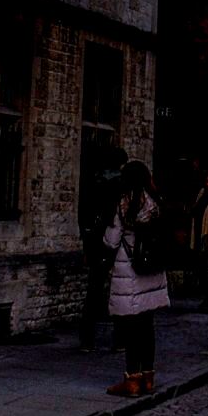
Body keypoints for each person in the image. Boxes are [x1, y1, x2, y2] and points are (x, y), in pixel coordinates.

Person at [103, 160, 169, 398]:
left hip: (130, 270)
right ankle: (148, 377)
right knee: (147, 327)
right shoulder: (155, 202)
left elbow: (111, 240)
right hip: (151, 270)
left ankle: (132, 379)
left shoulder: (124, 204)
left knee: (131, 328)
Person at [78, 146, 128, 351]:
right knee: (119, 291)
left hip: (94, 241)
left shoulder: (93, 182)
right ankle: (118, 340)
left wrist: (87, 243)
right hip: (113, 241)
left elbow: (85, 215)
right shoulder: (120, 185)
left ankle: (87, 340)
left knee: (94, 290)